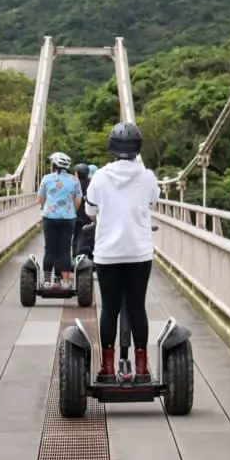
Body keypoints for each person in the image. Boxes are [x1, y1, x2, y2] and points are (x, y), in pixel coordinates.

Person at [85, 123, 160, 381]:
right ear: (138, 147)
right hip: (139, 253)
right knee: (137, 306)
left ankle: (107, 367)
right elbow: (151, 200)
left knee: (109, 308)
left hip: (108, 254)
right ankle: (141, 367)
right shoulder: (147, 176)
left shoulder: (100, 177)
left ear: (112, 148)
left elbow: (90, 211)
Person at [37, 151, 81, 288]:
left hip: (50, 217)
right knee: (65, 248)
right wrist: (70, 211)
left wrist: (47, 207)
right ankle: (66, 282)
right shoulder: (74, 180)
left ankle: (47, 281)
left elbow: (40, 199)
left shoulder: (46, 178)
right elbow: (78, 200)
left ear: (54, 165)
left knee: (50, 248)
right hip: (68, 218)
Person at [72, 163, 91, 256]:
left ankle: (75, 257)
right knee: (89, 237)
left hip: (77, 216)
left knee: (76, 237)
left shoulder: (73, 184)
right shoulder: (91, 183)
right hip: (89, 216)